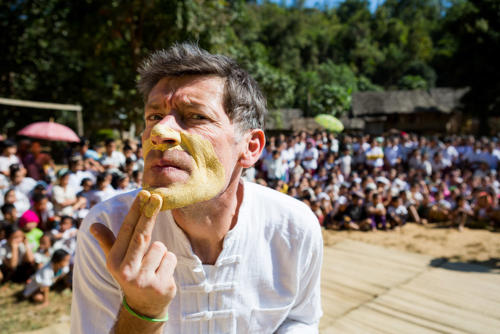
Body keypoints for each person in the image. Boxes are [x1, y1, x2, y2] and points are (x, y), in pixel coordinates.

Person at [71, 43, 323, 333]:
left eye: (196, 116)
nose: (160, 132)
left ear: (250, 147)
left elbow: (300, 320)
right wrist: (142, 311)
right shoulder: (107, 230)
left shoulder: (292, 226)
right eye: (153, 117)